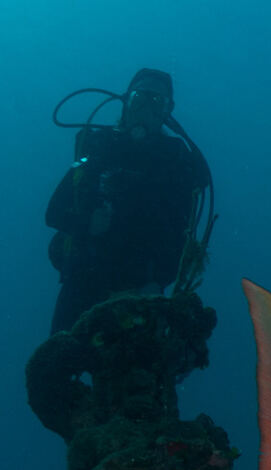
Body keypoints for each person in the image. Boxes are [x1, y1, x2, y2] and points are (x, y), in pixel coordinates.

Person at [45, 69, 212, 335]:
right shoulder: (99, 150)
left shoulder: (178, 164)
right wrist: (87, 223)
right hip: (84, 280)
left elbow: (184, 240)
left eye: (157, 102)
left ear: (167, 111)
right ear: (126, 101)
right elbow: (53, 213)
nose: (145, 109)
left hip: (143, 291)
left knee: (137, 374)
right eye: (139, 99)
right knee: (57, 366)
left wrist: (158, 282)